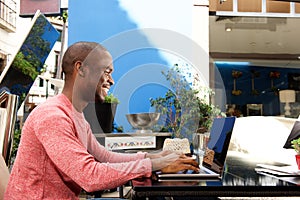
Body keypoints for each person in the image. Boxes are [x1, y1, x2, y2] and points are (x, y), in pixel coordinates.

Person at [4, 41, 199, 199]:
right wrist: (154, 165)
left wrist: (156, 157)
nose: (111, 80)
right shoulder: (52, 116)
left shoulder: (75, 115)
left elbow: (104, 157)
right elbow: (90, 176)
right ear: (81, 68)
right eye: (107, 72)